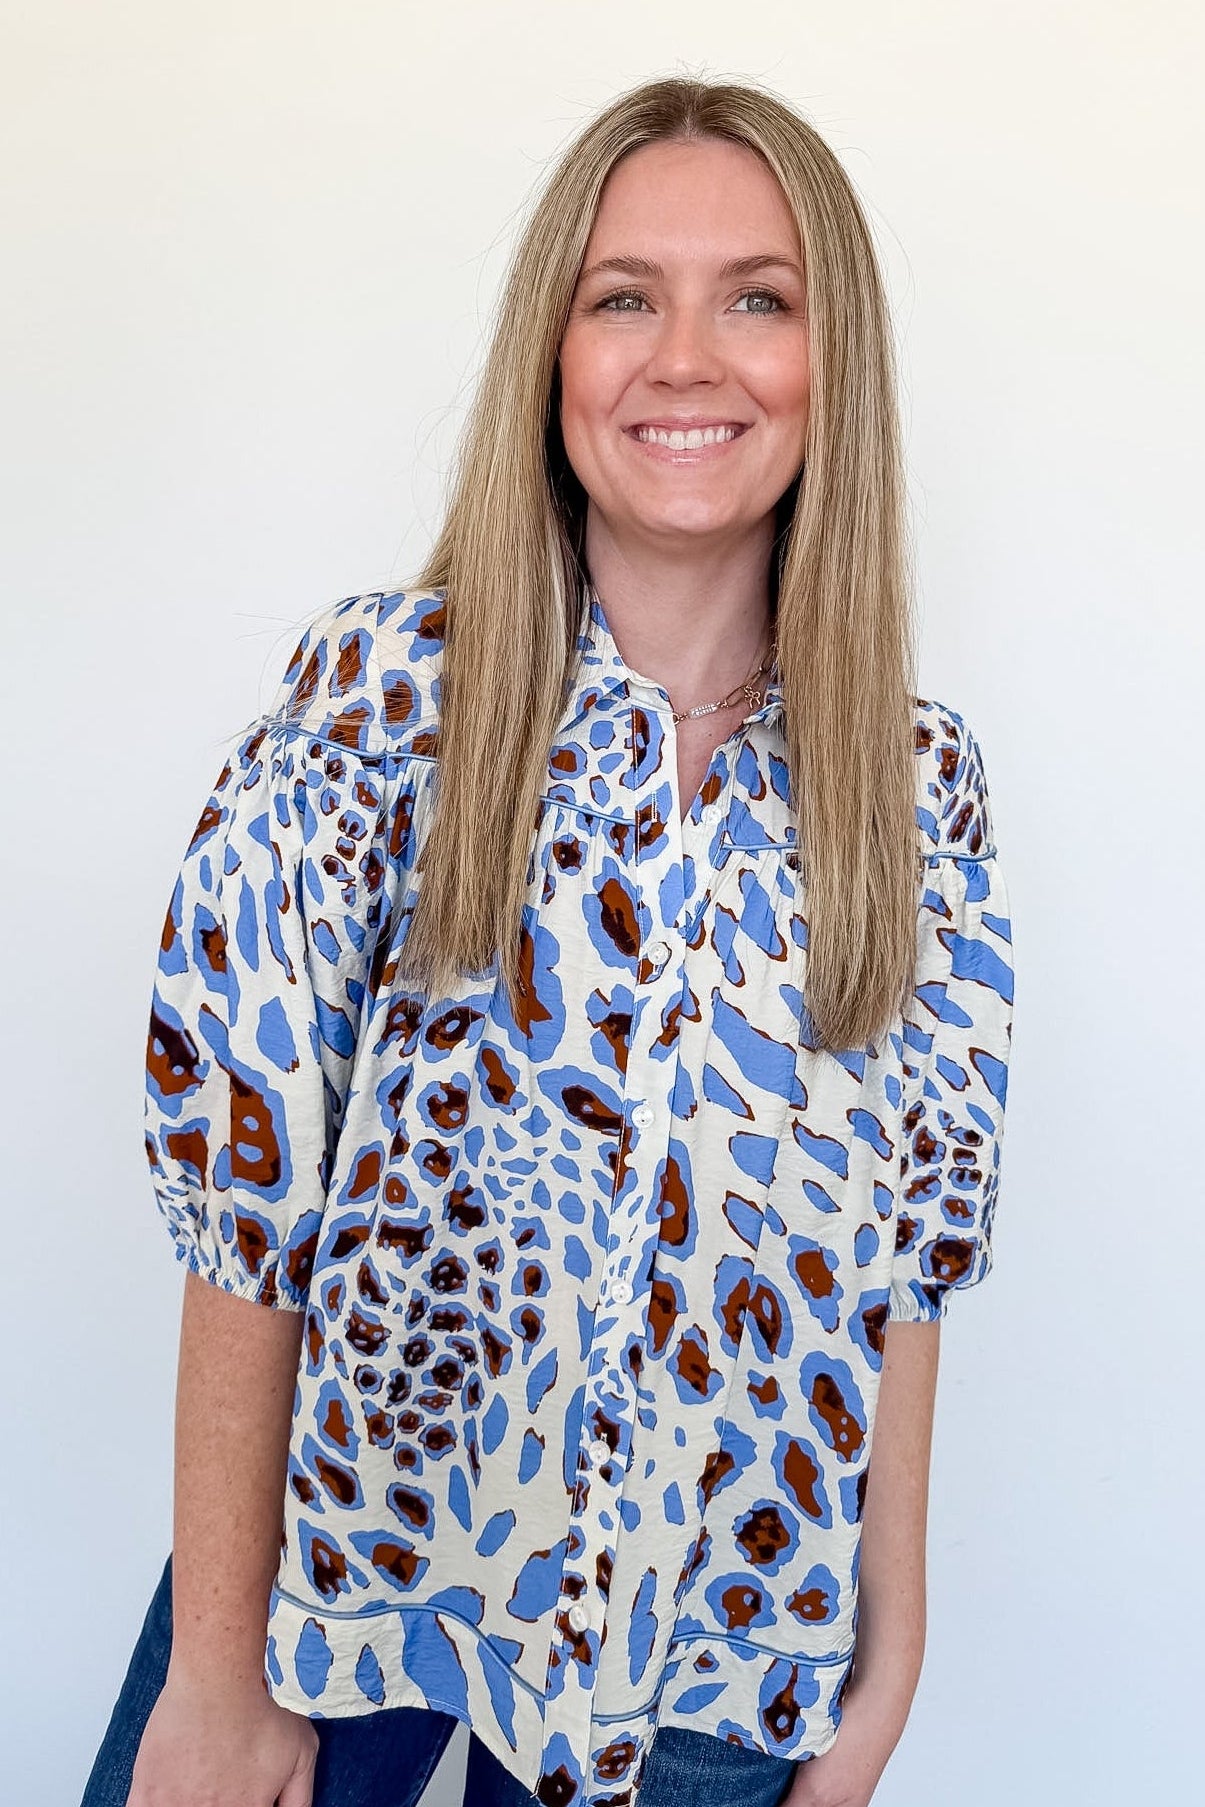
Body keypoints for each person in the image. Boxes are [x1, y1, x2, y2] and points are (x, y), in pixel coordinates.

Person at [81, 73, 1014, 1807]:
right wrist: (215, 1673)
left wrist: (886, 1666)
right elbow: (243, 1201)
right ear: (555, 356)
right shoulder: (384, 705)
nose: (686, 359)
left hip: (722, 1641)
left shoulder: (912, 787)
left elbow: (906, 1259)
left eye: (757, 298)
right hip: (337, 1597)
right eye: (623, 298)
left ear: (833, 365)